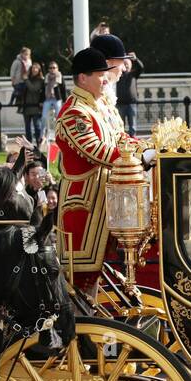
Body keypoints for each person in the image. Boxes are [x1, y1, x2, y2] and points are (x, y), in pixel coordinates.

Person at [55, 47, 151, 290]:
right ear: (83, 78)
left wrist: (149, 147)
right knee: (81, 279)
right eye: (100, 74)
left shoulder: (98, 106)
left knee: (96, 275)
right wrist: (142, 156)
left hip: (105, 200)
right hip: (84, 205)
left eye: (105, 73)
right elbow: (98, 152)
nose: (106, 78)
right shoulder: (75, 112)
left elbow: (119, 139)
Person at [17, 62, 47, 145]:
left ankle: (38, 144)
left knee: (37, 126)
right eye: (33, 68)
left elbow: (33, 89)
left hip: (35, 107)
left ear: (39, 70)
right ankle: (29, 144)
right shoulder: (27, 79)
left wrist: (26, 80)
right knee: (27, 128)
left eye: (36, 68)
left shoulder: (40, 80)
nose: (34, 69)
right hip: (26, 106)